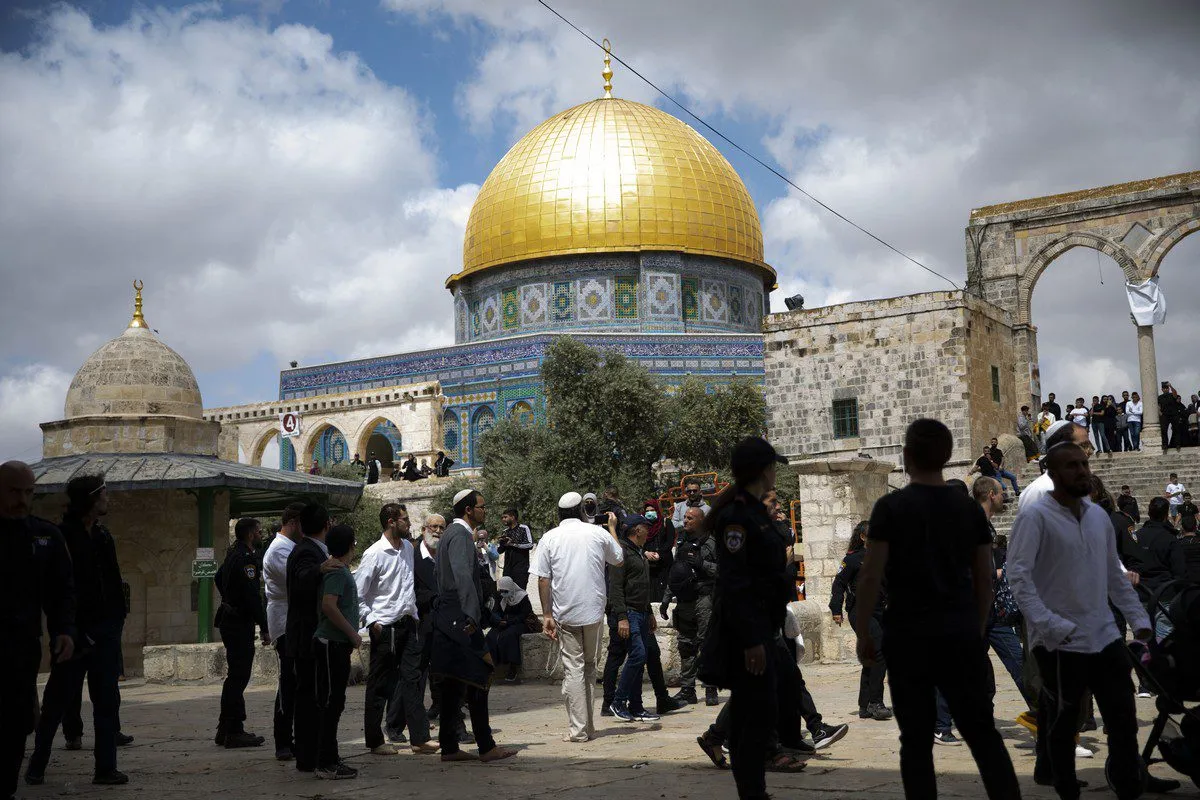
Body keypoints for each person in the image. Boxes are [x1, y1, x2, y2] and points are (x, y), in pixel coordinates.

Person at [854, 419, 1020, 799]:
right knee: (982, 733)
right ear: (947, 456)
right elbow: (984, 580)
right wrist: (975, 628)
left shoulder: (890, 508)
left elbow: (869, 577)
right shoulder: (969, 512)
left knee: (915, 741)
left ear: (906, 457)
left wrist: (864, 632)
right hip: (959, 633)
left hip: (907, 635)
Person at [1007, 441, 1157, 799]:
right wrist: (1049, 624)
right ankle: (1064, 784)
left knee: (1122, 716)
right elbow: (1018, 577)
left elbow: (1111, 572)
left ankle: (1128, 782)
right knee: (1065, 719)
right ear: (1054, 474)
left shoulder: (1098, 517)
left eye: (1084, 464)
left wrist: (1138, 619)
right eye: (1072, 466)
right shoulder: (1035, 517)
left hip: (1103, 634)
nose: (1081, 471)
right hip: (1060, 640)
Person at [700, 437, 797, 800]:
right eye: (772, 466)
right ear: (761, 470)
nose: (775, 473)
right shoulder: (738, 516)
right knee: (755, 719)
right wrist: (753, 640)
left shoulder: (753, 511)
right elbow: (737, 583)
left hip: (762, 626)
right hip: (747, 634)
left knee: (758, 712)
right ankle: (752, 793)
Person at [26, 474, 126, 788]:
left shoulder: (102, 536)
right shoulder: (61, 536)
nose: (108, 500)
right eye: (104, 495)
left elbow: (112, 583)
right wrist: (66, 631)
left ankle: (105, 768)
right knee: (56, 702)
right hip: (73, 634)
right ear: (91, 499)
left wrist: (113, 623)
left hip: (104, 632)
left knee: (106, 703)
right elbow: (55, 590)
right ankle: (37, 765)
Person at [1, 461, 76, 800]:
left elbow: (61, 591)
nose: (22, 499)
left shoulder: (44, 536)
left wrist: (63, 630)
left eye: (28, 492)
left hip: (20, 649)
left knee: (18, 723)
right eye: (14, 491)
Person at [430, 489, 516, 763]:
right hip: (461, 617)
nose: (485, 510)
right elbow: (463, 576)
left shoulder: (449, 536)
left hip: (448, 616)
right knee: (481, 674)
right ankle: (486, 745)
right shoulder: (459, 536)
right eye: (482, 506)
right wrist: (471, 616)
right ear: (468, 510)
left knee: (454, 682)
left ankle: (449, 747)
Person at [533, 492, 623, 742]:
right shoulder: (597, 533)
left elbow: (543, 578)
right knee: (590, 668)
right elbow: (618, 559)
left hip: (566, 612)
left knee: (574, 668)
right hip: (593, 611)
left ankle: (579, 729)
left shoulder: (550, 537)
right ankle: (588, 727)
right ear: (582, 511)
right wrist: (612, 529)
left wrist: (547, 614)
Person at [356, 504, 434, 756]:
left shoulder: (407, 551)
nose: (408, 523)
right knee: (380, 685)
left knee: (412, 680)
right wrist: (372, 621)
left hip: (408, 623)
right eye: (404, 519)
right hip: (385, 627)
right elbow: (358, 595)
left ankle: (420, 738)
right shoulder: (374, 554)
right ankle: (375, 740)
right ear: (391, 522)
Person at [286, 503, 340, 774]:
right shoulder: (307, 552)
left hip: (308, 636)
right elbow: (302, 579)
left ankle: (310, 756)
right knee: (311, 699)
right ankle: (312, 757)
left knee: (310, 697)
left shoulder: (308, 550)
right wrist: (320, 570)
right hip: (308, 638)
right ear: (326, 525)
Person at [972, 477, 1034, 709]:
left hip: (993, 611)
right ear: (990, 494)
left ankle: (1042, 715)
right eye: (1001, 492)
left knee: (1019, 663)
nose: (1004, 496)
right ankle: (942, 723)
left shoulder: (986, 524)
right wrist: (997, 573)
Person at [214, 517, 269, 749]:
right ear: (250, 535)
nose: (261, 534)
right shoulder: (246, 558)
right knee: (238, 677)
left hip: (229, 618)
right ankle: (234, 730)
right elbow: (252, 597)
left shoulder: (232, 553)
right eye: (258, 531)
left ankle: (225, 728)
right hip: (239, 623)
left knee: (235, 677)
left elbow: (218, 577)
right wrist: (264, 626)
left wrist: (228, 597)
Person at [608, 514, 669, 723]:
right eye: (646, 527)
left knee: (640, 657)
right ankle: (618, 701)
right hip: (629, 614)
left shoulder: (639, 553)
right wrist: (622, 618)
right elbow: (615, 588)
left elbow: (642, 588)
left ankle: (636, 707)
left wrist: (650, 613)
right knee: (638, 655)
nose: (649, 531)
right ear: (636, 530)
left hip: (641, 613)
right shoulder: (622, 553)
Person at [313, 524, 361, 780]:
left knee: (335, 701)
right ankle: (325, 761)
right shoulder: (337, 573)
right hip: (332, 643)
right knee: (331, 702)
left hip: (337, 644)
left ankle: (330, 757)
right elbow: (329, 606)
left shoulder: (338, 570)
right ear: (350, 546)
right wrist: (352, 633)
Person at [830, 522, 891, 721]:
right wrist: (836, 609)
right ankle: (876, 702)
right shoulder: (853, 560)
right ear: (863, 538)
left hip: (880, 610)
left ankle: (864, 705)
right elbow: (839, 583)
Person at [263, 502, 305, 761]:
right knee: (288, 683)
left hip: (295, 620)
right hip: (285, 621)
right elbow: (296, 580)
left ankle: (296, 738)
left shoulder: (292, 548)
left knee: (299, 683)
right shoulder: (279, 550)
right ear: (292, 522)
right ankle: (283, 740)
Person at [661, 506, 709, 705]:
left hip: (703, 598)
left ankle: (710, 688)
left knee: (706, 644)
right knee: (686, 645)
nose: (686, 521)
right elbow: (676, 572)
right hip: (684, 600)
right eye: (685, 518)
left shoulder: (712, 541)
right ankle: (688, 689)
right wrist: (666, 599)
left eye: (690, 518)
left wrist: (701, 564)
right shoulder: (680, 541)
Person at [486, 576, 536, 683]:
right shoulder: (501, 597)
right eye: (502, 591)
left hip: (519, 623)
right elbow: (497, 611)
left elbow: (524, 614)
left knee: (509, 635)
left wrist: (510, 622)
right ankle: (492, 665)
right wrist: (498, 620)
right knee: (491, 636)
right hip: (505, 623)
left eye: (505, 591)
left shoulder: (522, 597)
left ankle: (512, 667)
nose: (503, 593)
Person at [642, 499, 675, 599]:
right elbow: (638, 544)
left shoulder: (666, 522)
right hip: (648, 564)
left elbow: (670, 542)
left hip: (664, 564)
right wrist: (645, 553)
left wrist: (659, 554)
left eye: (652, 510)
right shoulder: (642, 525)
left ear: (657, 510)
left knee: (664, 591)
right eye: (647, 511)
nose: (649, 513)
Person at [497, 508, 533, 592]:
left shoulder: (523, 528)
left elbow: (530, 544)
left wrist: (513, 544)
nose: (503, 519)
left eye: (505, 517)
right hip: (507, 570)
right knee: (506, 594)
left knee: (520, 594)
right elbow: (500, 551)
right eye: (502, 517)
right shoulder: (505, 532)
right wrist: (502, 543)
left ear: (512, 517)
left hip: (521, 569)